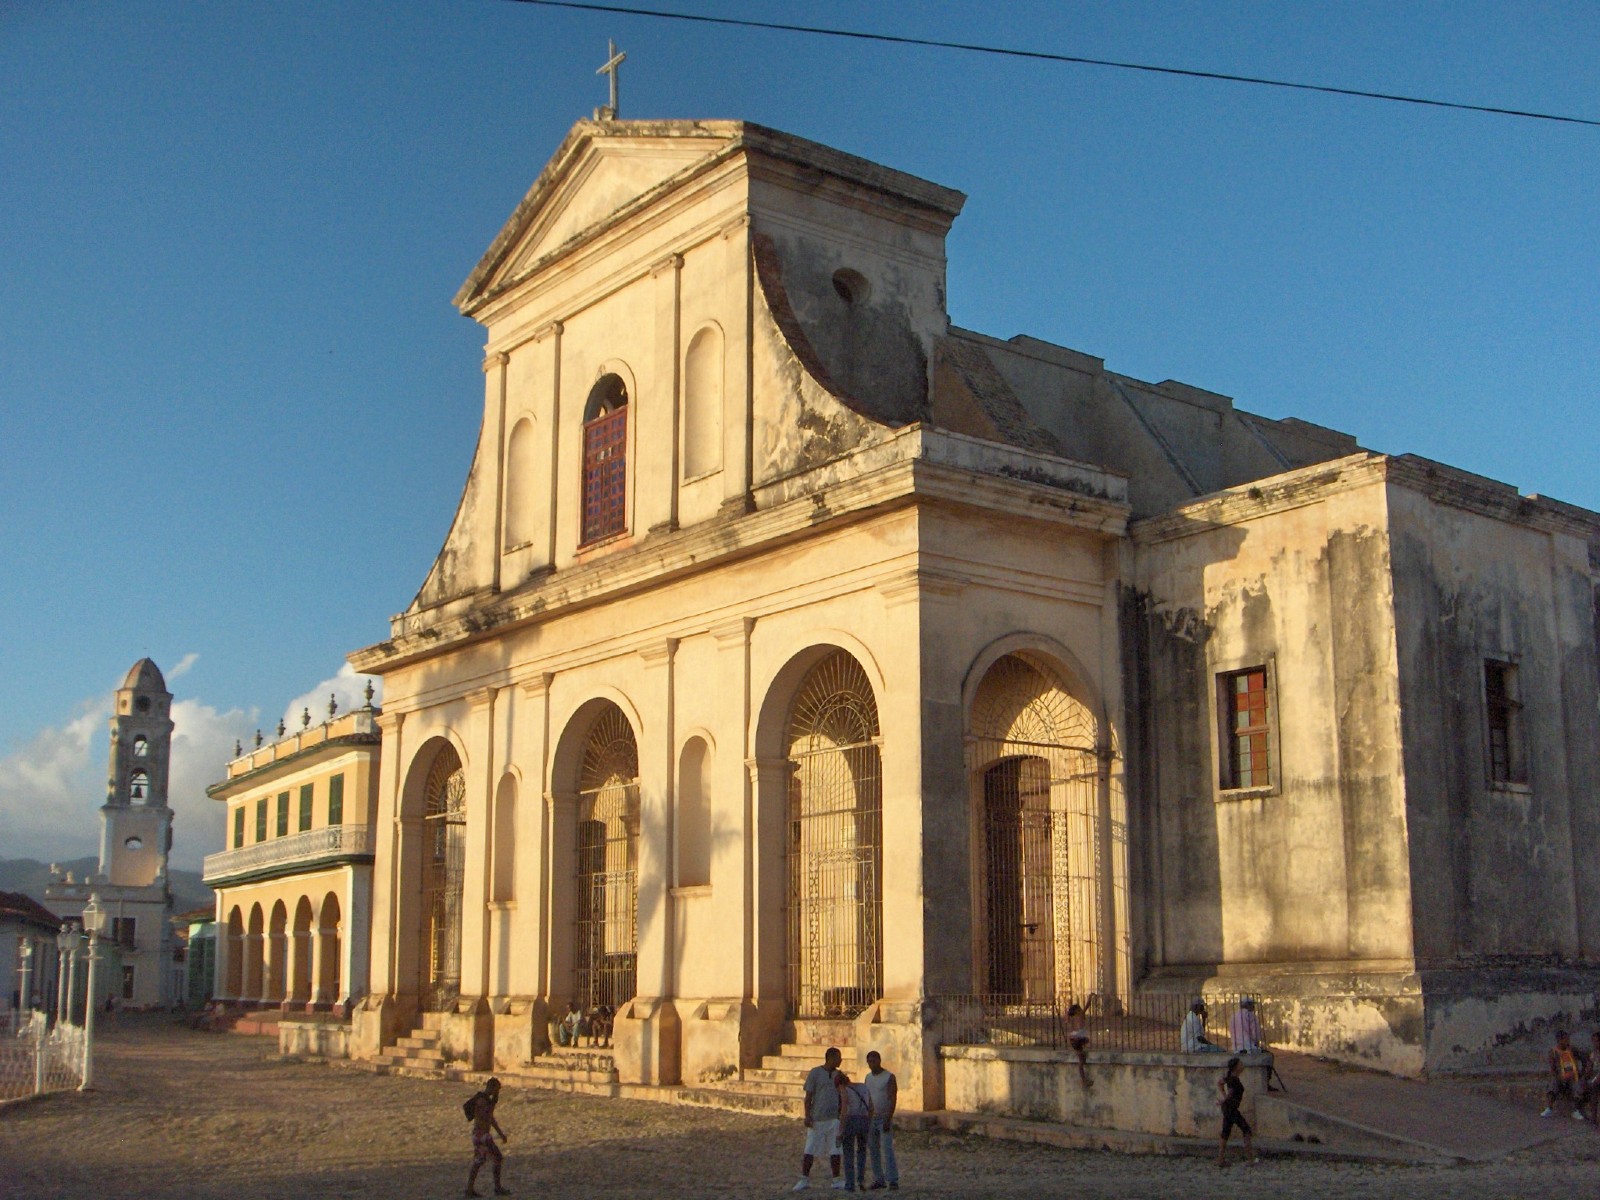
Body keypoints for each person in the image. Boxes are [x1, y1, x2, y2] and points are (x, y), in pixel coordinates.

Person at [794, 1047, 844, 1191]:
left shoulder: (838, 1075)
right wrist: (807, 1115)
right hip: (817, 1118)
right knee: (809, 1149)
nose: (840, 1060)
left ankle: (836, 1179)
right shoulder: (815, 1073)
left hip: (833, 1118)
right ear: (831, 1058)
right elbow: (808, 1096)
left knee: (835, 1150)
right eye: (838, 1057)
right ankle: (804, 1179)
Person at [465, 1076, 510, 1197]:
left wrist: (500, 1134)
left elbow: (491, 1119)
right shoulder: (482, 1101)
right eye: (497, 1090)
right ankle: (497, 1187)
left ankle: (469, 1189)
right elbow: (487, 1117)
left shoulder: (485, 1100)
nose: (497, 1093)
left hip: (479, 1135)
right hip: (483, 1135)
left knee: (479, 1161)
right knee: (497, 1158)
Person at [863, 1050, 900, 1190]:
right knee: (873, 1149)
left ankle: (893, 1179)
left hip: (884, 1117)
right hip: (871, 1118)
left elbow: (892, 1098)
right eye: (869, 1061)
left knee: (887, 1149)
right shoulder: (868, 1078)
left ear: (879, 1060)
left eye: (874, 1060)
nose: (872, 1064)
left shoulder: (889, 1077)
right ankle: (878, 1178)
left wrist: (888, 1117)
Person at [1216, 1057, 1258, 1168]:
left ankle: (1220, 1160)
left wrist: (1224, 1098)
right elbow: (1230, 1092)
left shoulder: (1230, 1078)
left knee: (1225, 1132)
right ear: (1236, 1067)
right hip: (1231, 1108)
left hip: (1228, 1107)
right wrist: (1224, 1099)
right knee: (1246, 1130)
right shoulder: (1234, 1079)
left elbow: (1220, 1083)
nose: (1242, 1065)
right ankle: (1250, 1159)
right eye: (1240, 1064)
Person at [836, 1070, 872, 1192]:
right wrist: (869, 1122)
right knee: (862, 1151)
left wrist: (840, 1131)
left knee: (848, 1153)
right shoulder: (862, 1087)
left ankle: (850, 1184)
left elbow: (844, 1109)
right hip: (864, 1120)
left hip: (851, 1121)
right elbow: (871, 1106)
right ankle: (861, 1180)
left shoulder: (844, 1089)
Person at [1543, 1029, 1587, 1119]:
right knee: (1552, 1084)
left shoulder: (1572, 1049)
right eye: (1566, 1039)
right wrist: (1559, 1077)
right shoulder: (1553, 1052)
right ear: (1560, 1040)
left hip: (1573, 1076)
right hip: (1560, 1077)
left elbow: (1584, 1059)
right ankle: (1549, 1108)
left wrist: (1581, 1072)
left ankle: (1576, 1110)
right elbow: (1553, 1068)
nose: (1568, 1041)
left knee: (1577, 1086)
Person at [1065, 1004, 1093, 1089]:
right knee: (1081, 1061)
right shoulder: (1080, 1016)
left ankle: (1082, 1054)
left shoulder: (1072, 1019)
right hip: (1078, 1039)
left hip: (1075, 1040)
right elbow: (1087, 1006)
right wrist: (1089, 999)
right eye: (1080, 1009)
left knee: (1082, 1057)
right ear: (1077, 1011)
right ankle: (1083, 1081)